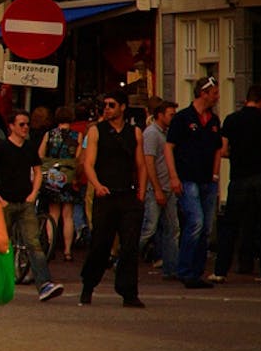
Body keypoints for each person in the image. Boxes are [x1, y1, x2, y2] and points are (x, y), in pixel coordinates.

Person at [79, 88, 148, 308]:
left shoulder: (134, 132)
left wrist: (141, 193)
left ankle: (129, 291)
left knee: (129, 245)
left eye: (111, 105)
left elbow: (141, 164)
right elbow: (88, 163)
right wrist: (97, 185)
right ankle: (88, 284)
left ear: (122, 107)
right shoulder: (96, 132)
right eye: (105, 105)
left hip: (128, 194)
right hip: (106, 195)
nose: (107, 109)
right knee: (100, 243)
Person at [0, 109, 64, 301]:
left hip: (25, 202)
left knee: (34, 243)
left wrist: (33, 193)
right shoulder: (1, 148)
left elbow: (38, 171)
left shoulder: (30, 148)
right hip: (5, 202)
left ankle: (44, 284)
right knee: (1, 243)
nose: (25, 128)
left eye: (27, 124)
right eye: (21, 124)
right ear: (11, 126)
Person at [214, 85, 261, 283]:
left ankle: (220, 270)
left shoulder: (231, 119)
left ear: (246, 100)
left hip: (238, 177)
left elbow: (224, 150)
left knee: (230, 225)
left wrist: (238, 154)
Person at [165, 76, 223, 289]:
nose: (217, 97)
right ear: (203, 93)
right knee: (196, 221)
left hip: (208, 179)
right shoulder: (182, 118)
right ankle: (185, 270)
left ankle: (197, 271)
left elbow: (218, 148)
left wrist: (216, 175)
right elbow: (169, 147)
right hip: (187, 178)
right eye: (214, 93)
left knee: (206, 227)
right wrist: (173, 176)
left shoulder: (214, 120)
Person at [37, 106, 84, 263]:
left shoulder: (49, 134)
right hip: (69, 177)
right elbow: (79, 159)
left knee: (53, 214)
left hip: (52, 177)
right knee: (68, 216)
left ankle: (50, 247)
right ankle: (68, 251)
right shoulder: (77, 135)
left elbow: (40, 155)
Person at [139, 99, 179, 280]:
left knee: (172, 228)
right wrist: (156, 189)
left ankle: (171, 268)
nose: (173, 118)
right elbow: (149, 162)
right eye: (171, 114)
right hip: (157, 188)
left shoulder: (167, 133)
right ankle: (123, 259)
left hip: (168, 187)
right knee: (149, 228)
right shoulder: (152, 134)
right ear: (160, 115)